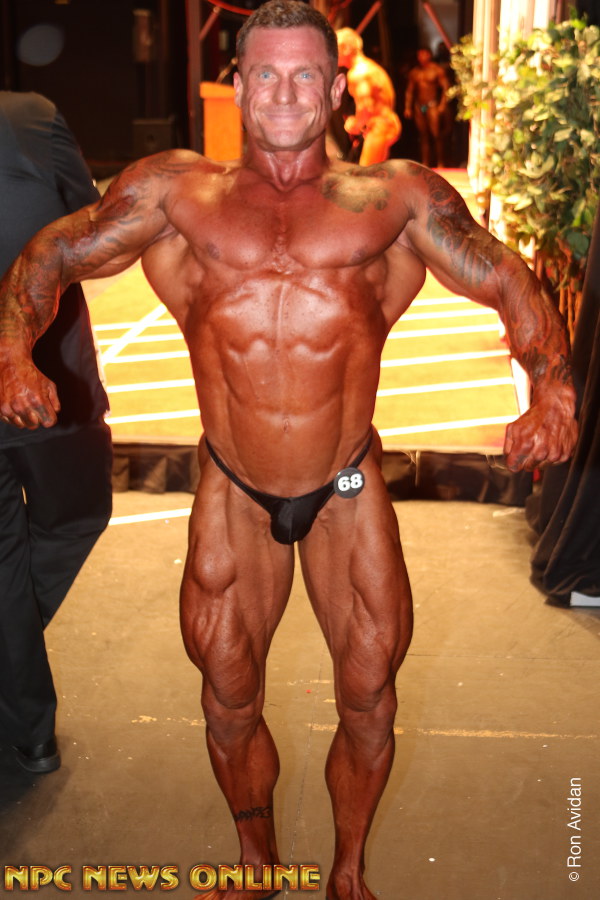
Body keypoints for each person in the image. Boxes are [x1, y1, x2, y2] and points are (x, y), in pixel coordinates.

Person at [0, 3, 577, 897]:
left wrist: (555, 389)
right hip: (234, 486)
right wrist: (12, 353)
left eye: (304, 74)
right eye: (265, 73)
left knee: (370, 699)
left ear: (336, 88)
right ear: (237, 84)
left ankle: (346, 872)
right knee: (228, 698)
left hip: (345, 484)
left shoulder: (395, 198)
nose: (283, 92)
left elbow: (504, 274)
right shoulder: (176, 195)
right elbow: (54, 252)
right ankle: (257, 864)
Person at [0, 91, 112, 775]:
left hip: (46, 376)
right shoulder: (28, 117)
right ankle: (27, 724)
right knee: (78, 514)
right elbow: (91, 230)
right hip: (50, 380)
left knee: (4, 559)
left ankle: (26, 717)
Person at [336, 26, 401, 165]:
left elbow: (367, 107)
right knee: (376, 172)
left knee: (366, 173)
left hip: (379, 127)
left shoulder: (359, 73)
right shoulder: (371, 67)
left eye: (336, 48)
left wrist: (356, 124)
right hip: (386, 123)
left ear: (346, 48)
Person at [404, 45, 451, 167]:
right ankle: (425, 162)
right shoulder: (414, 72)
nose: (421, 57)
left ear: (429, 55)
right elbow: (409, 91)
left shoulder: (437, 70)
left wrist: (442, 104)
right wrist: (407, 107)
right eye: (419, 55)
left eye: (424, 54)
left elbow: (446, 88)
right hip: (419, 106)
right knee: (423, 135)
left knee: (436, 134)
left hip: (432, 105)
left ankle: (440, 162)